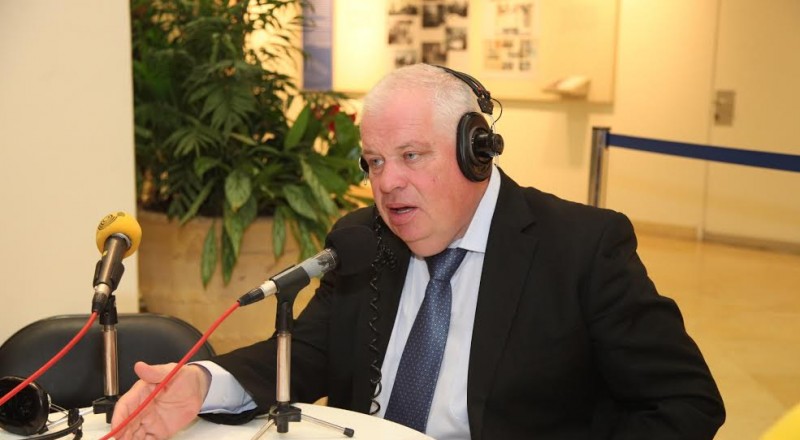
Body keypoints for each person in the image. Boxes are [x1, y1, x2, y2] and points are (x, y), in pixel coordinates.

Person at [111, 63, 725, 439]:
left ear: (475, 151)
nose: (388, 183)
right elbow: (307, 354)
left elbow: (685, 402)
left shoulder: (580, 247)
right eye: (375, 162)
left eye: (410, 156)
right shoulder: (362, 239)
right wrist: (201, 382)